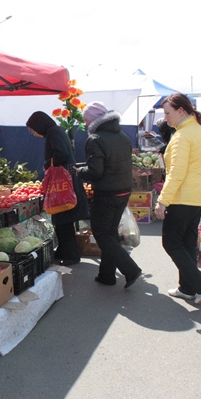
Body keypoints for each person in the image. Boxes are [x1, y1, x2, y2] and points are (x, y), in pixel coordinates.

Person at [155, 93, 201, 304]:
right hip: (196, 196)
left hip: (183, 197)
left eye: (168, 113)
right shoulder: (197, 130)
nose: (166, 117)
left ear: (181, 111)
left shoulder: (182, 136)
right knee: (187, 243)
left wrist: (162, 200)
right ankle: (187, 288)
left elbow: (176, 174)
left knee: (171, 243)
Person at [75, 101, 142, 288]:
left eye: (87, 120)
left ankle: (130, 269)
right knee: (110, 233)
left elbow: (95, 171)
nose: (86, 124)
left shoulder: (95, 139)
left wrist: (79, 172)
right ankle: (106, 275)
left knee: (102, 234)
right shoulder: (123, 136)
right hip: (123, 190)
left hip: (106, 193)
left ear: (94, 119)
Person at [26, 111, 89, 266]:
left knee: (63, 220)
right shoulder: (56, 131)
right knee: (61, 220)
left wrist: (48, 165)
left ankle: (72, 256)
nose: (34, 133)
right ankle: (63, 250)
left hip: (63, 182)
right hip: (67, 178)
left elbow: (61, 153)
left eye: (33, 130)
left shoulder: (53, 132)